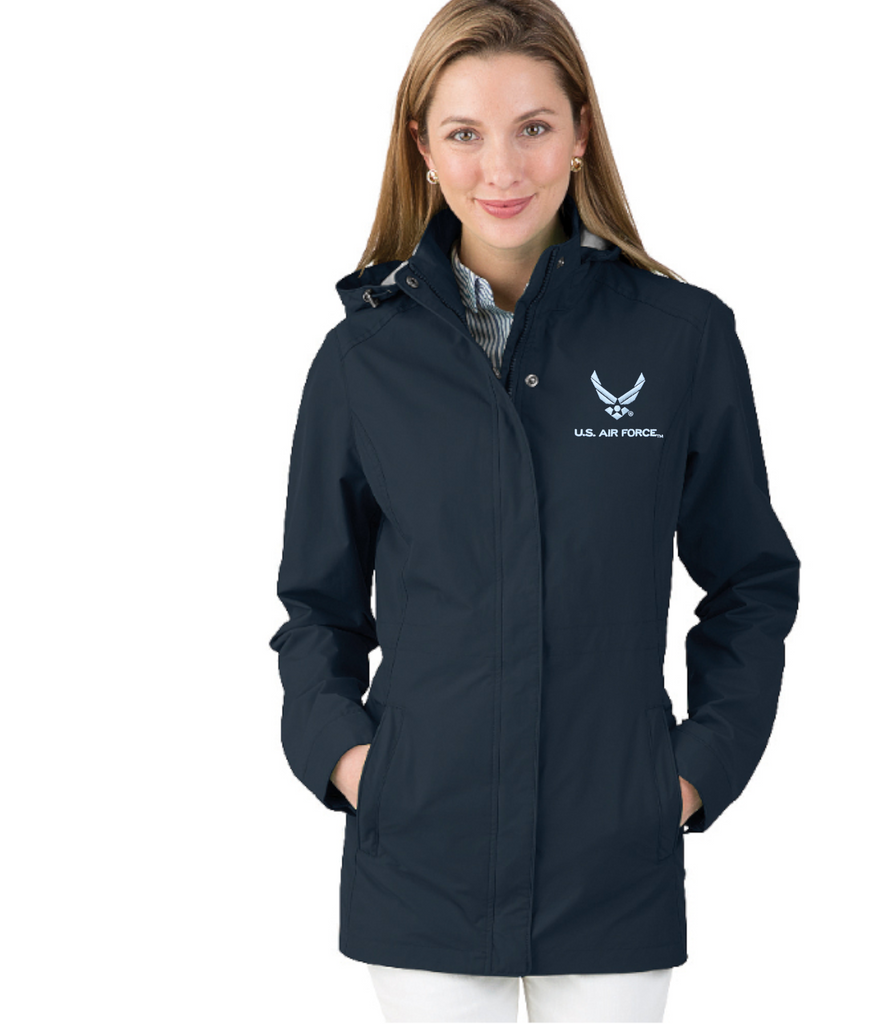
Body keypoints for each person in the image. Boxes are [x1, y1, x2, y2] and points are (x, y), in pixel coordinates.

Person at [268, 1, 800, 1020]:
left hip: (614, 864)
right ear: (422, 147)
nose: (501, 168)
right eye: (465, 132)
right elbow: (316, 607)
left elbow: (751, 582)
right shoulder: (362, 360)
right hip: (420, 860)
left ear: (581, 132)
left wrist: (692, 774)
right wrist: (353, 764)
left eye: (534, 127)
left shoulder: (681, 336)